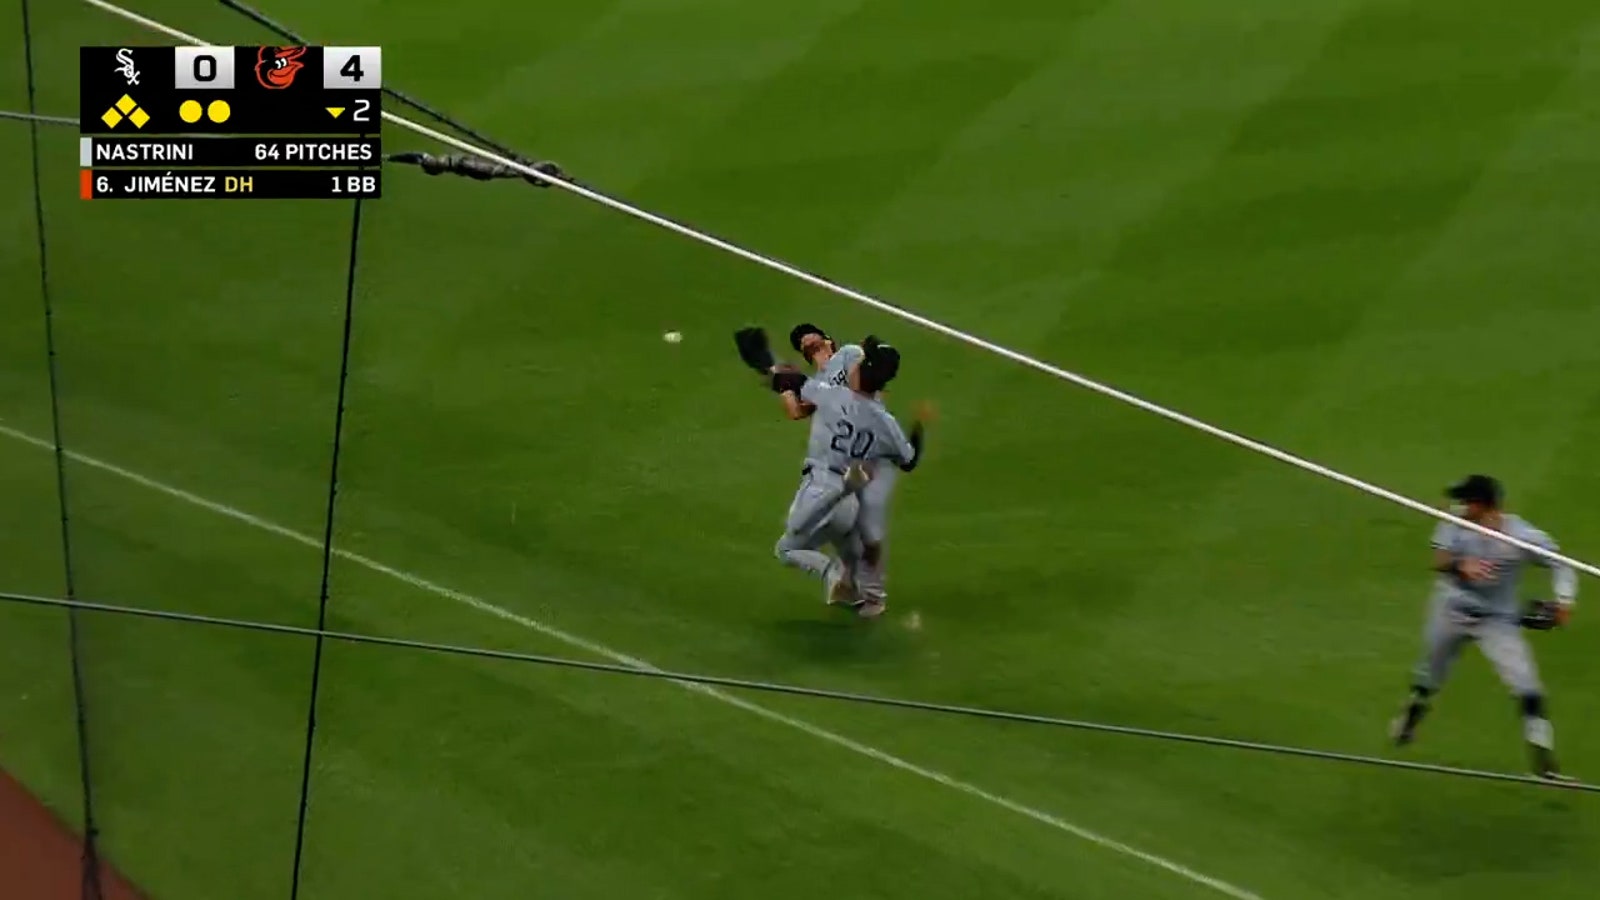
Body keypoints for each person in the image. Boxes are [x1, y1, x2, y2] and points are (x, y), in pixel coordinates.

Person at [1390, 474, 1577, 780]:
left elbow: (1561, 564)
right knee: (1430, 674)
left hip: (1496, 619)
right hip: (1451, 610)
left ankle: (1543, 759)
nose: (1460, 506)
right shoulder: (1454, 521)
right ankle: (1411, 718)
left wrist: (1564, 602)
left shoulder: (1522, 537)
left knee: (1527, 685)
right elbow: (1438, 561)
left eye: (1467, 501)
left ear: (1483, 505)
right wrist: (1459, 566)